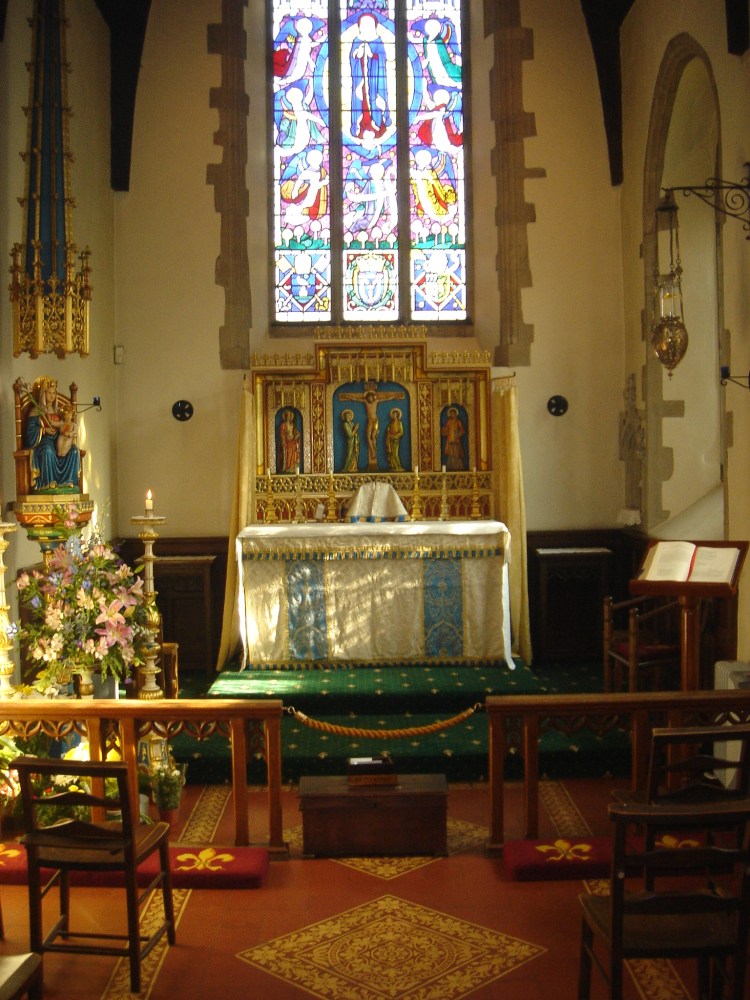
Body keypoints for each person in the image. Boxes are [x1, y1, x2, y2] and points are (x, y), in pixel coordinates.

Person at [23, 377, 81, 491]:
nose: (52, 395)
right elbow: (29, 433)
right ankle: (48, 483)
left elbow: (67, 424)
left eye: (54, 393)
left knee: (74, 451)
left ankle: (69, 481)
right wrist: (44, 430)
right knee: (48, 451)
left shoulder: (60, 411)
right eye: (49, 392)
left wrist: (65, 429)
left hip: (60, 441)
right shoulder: (36, 411)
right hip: (45, 442)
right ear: (43, 394)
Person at [339, 382, 405, 470]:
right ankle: (372, 451)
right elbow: (356, 399)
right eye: (368, 397)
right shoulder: (365, 402)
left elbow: (386, 398)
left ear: (373, 397)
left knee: (373, 436)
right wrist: (348, 396)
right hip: (370, 420)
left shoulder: (376, 401)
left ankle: (374, 452)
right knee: (367, 436)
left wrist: (395, 396)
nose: (370, 398)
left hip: (375, 420)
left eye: (371, 397)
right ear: (367, 397)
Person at [441, 406, 465, 471]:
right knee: (450, 453)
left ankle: (458, 466)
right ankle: (451, 466)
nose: (452, 415)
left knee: (457, 453)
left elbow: (462, 430)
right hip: (450, 439)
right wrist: (443, 430)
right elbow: (446, 428)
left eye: (453, 413)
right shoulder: (449, 421)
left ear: (455, 414)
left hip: (456, 440)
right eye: (451, 414)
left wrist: (458, 434)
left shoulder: (458, 421)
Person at [278, 409, 301, 473]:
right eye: (287, 415)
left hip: (292, 439)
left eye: (290, 415)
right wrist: (283, 441)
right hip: (286, 440)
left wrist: (297, 434)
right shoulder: (283, 425)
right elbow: (281, 434)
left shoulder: (292, 425)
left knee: (295, 447)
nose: (289, 417)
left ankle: (293, 467)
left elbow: (295, 432)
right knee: (289, 451)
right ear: (285, 416)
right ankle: (287, 467)